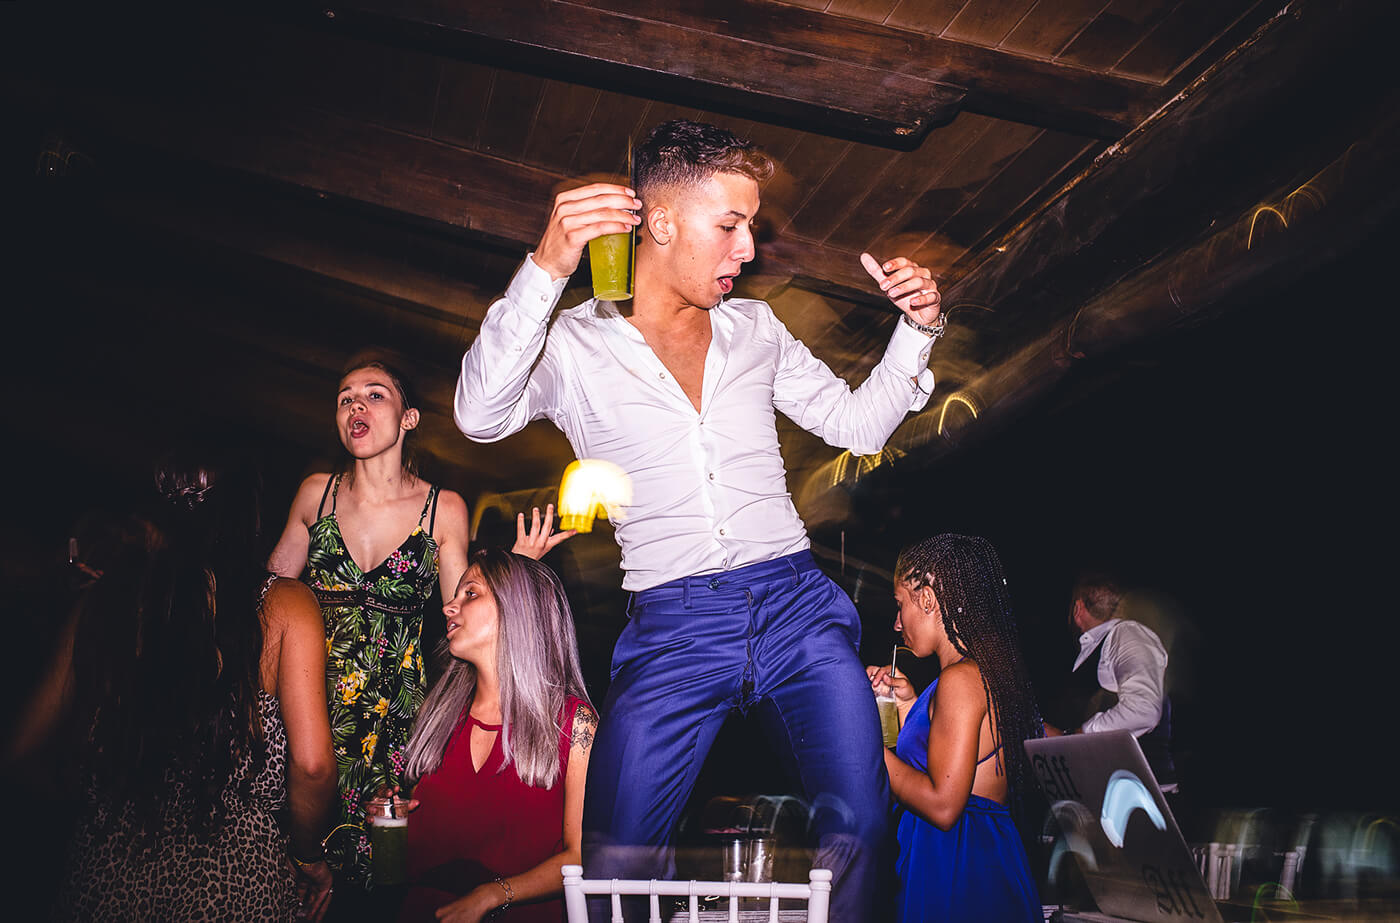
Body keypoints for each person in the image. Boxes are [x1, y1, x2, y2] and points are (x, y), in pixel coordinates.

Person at [454, 119, 945, 920]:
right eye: (730, 225)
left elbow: (857, 425)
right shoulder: (574, 346)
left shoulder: (757, 330)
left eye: (751, 225)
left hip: (795, 608)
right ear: (661, 221)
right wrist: (547, 266)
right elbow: (479, 414)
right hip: (673, 626)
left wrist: (916, 331)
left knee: (858, 829)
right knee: (616, 859)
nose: (748, 248)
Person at [269, 351, 571, 895]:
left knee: (378, 879)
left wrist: (515, 570)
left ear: (408, 418)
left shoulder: (442, 508)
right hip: (308, 700)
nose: (356, 406)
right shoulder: (317, 493)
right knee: (289, 864)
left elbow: (465, 610)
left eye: (374, 395)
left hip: (395, 714)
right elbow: (269, 600)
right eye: (345, 399)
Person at [34, 451, 337, 922]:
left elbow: (24, 747)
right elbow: (313, 766)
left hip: (105, 879)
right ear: (249, 513)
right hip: (235, 886)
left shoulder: (102, 603)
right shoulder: (285, 606)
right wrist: (306, 855)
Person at [393, 547, 596, 923]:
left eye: (470, 593)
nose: (449, 607)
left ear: (515, 609)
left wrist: (491, 895)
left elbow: (580, 856)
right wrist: (396, 818)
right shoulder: (438, 715)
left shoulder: (574, 723)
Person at [867, 534, 1043, 923]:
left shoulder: (959, 680)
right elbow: (953, 757)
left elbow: (943, 805)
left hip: (959, 864)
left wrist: (865, 745)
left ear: (927, 599)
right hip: (975, 853)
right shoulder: (978, 672)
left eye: (900, 605)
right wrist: (909, 705)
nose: (897, 623)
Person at [1043, 572, 1177, 791]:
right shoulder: (1096, 648)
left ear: (1078, 609)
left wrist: (1073, 737)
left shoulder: (1127, 634)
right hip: (1108, 791)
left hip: (1141, 797)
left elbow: (1143, 710)